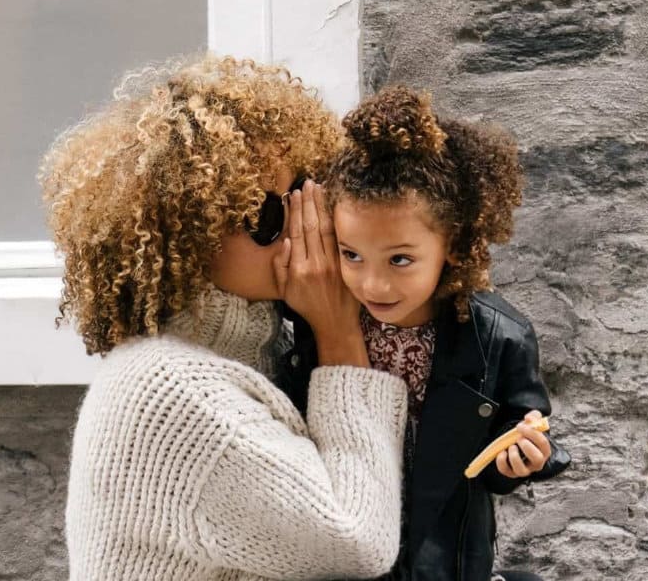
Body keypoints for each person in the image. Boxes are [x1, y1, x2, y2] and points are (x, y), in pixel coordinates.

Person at [41, 55, 409, 580]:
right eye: (266, 214)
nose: (304, 226)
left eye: (309, 192)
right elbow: (354, 540)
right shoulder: (169, 387)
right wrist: (338, 333)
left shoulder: (254, 355)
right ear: (189, 233)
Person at [278, 86, 571, 581]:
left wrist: (521, 457)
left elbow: (513, 432)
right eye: (352, 254)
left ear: (453, 245)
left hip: (446, 560)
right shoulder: (317, 325)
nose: (373, 283)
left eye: (400, 259)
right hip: (346, 548)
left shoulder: (499, 337)